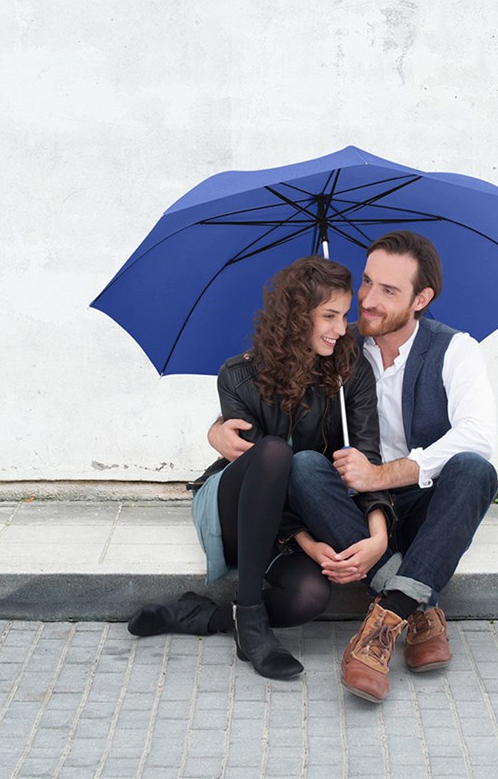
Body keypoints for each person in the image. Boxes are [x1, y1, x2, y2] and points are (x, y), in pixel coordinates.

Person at [210, 231, 498, 702]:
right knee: (306, 466)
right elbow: (276, 405)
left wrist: (382, 478)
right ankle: (421, 610)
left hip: (421, 506)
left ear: (421, 299)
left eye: (389, 290)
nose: (366, 301)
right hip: (348, 507)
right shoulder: (342, 347)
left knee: (475, 469)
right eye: (367, 282)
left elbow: (479, 435)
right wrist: (216, 427)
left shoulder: (455, 350)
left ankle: (387, 620)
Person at [130, 256, 394, 682]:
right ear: (297, 316)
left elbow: (368, 459)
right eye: (329, 316)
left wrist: (377, 535)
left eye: (344, 316)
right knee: (274, 452)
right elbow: (264, 471)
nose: (341, 329)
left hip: (295, 514)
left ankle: (204, 614)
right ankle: (250, 619)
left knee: (309, 597)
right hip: (236, 509)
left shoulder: (351, 372)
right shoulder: (238, 376)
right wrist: (308, 542)